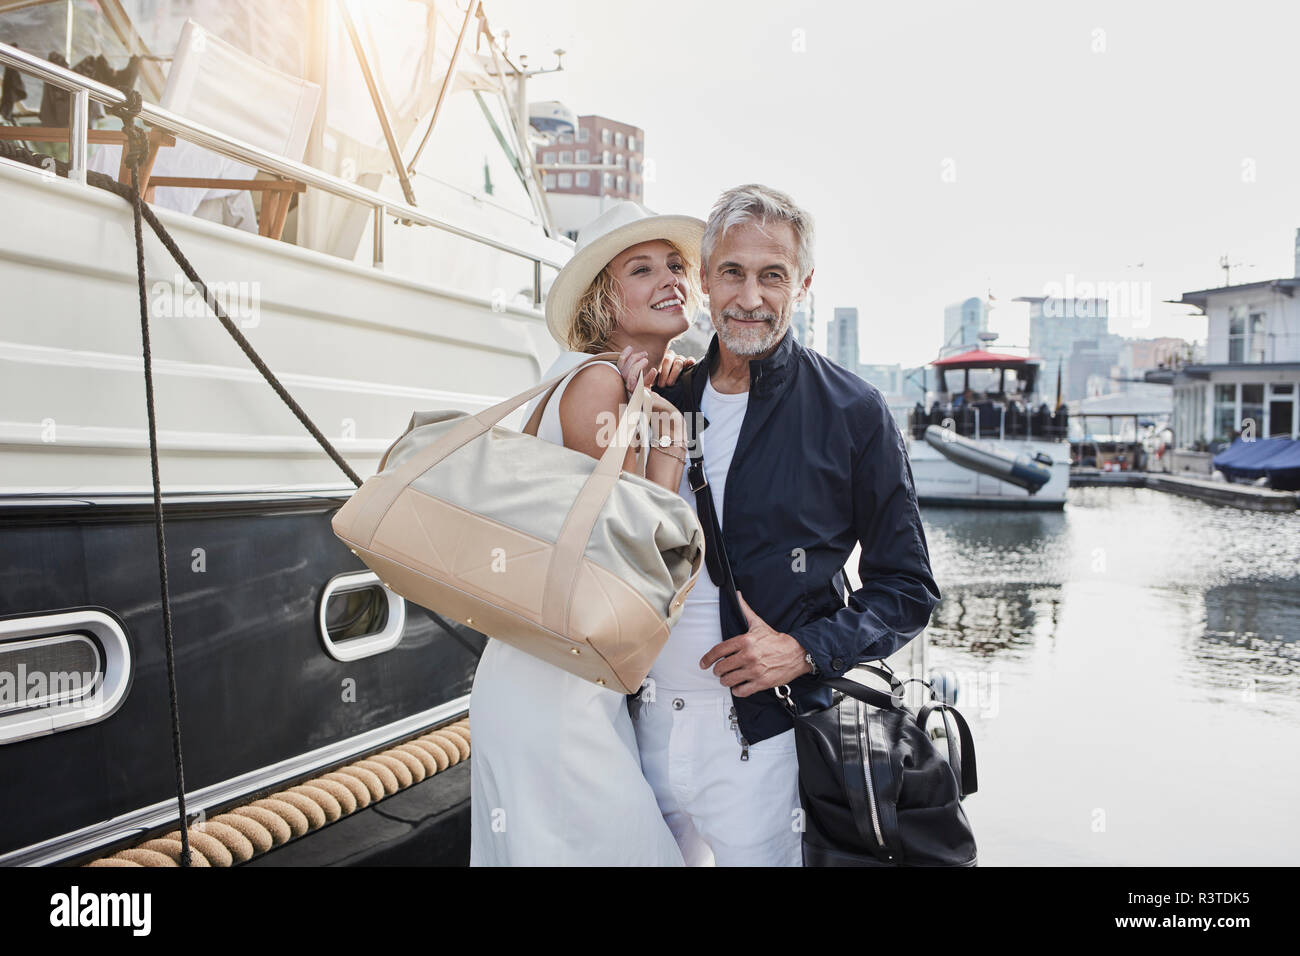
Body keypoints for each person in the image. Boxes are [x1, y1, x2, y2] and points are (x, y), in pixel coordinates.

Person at [634, 184, 941, 866]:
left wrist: (805, 648)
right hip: (638, 731)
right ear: (707, 280)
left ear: (802, 284)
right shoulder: (661, 398)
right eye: (733, 273)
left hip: (763, 743)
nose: (750, 298)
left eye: (772, 275)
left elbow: (908, 588)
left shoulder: (853, 412)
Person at [468, 201, 703, 866]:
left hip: (552, 680)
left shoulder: (601, 382)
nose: (671, 279)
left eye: (676, 265)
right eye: (643, 268)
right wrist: (667, 441)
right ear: (606, 296)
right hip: (555, 698)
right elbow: (630, 558)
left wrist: (650, 409)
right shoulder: (600, 382)